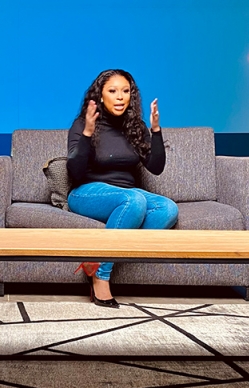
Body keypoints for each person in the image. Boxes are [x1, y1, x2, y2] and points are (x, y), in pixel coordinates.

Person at [67, 69, 179, 308]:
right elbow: (74, 172)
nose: (120, 97)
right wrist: (87, 133)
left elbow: (156, 167)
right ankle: (100, 276)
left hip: (127, 194)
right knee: (134, 201)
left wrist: (155, 130)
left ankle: (96, 261)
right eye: (113, 91)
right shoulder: (83, 124)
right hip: (87, 192)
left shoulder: (134, 126)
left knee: (168, 209)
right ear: (100, 95)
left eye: (126, 91)